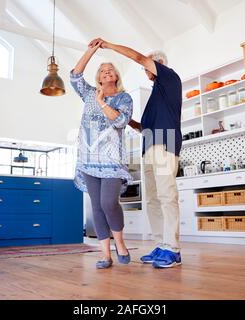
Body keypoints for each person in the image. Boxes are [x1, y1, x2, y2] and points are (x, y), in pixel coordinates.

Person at [89, 38, 183, 269]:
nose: (144, 70)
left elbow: (139, 57)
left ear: (157, 63)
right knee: (152, 199)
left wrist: (109, 45)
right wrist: (126, 120)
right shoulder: (156, 95)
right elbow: (145, 127)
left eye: (147, 67)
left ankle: (173, 249)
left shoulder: (169, 77)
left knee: (166, 196)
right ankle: (161, 244)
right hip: (149, 146)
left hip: (165, 143)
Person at [70, 40, 134, 269]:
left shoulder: (123, 98)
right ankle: (105, 254)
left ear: (115, 76)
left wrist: (101, 102)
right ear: (98, 77)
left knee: (109, 203)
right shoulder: (88, 93)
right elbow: (75, 76)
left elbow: (120, 121)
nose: (106, 72)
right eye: (102, 70)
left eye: (110, 70)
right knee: (96, 206)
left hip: (111, 160)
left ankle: (120, 244)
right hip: (88, 159)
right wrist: (91, 50)